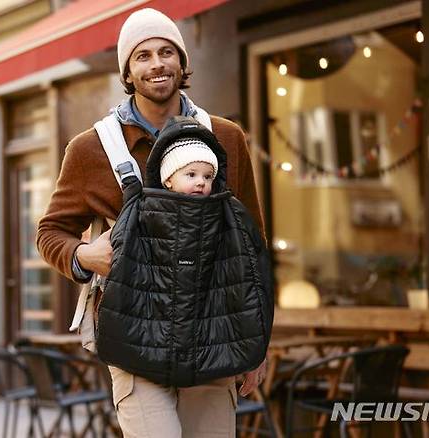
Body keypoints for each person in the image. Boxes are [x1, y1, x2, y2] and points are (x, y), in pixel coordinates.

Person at [37, 8, 269, 437]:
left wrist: (256, 345)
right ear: (127, 71)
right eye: (142, 56)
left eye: (167, 52)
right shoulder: (92, 148)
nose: (157, 64)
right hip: (133, 338)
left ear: (182, 63)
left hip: (213, 334)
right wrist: (84, 254)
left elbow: (252, 247)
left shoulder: (227, 137)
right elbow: (50, 233)